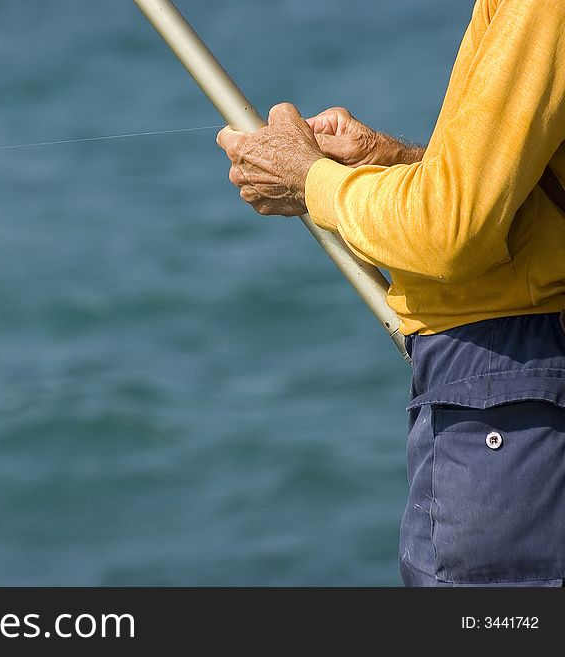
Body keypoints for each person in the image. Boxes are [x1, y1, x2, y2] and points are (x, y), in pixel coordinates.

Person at [217, 0, 565, 587]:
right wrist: (393, 163)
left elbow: (448, 233)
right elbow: (520, 206)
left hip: (515, 381)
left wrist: (314, 181)